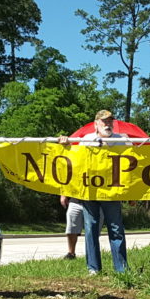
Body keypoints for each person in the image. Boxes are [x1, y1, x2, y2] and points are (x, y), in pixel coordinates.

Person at [60, 110, 127, 275]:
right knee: (91, 228)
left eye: (110, 121)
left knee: (116, 229)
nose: (108, 124)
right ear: (96, 124)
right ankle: (93, 268)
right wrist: (65, 144)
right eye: (104, 121)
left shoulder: (123, 140)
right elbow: (74, 162)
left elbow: (134, 164)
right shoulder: (85, 140)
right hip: (90, 191)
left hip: (113, 192)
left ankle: (121, 269)